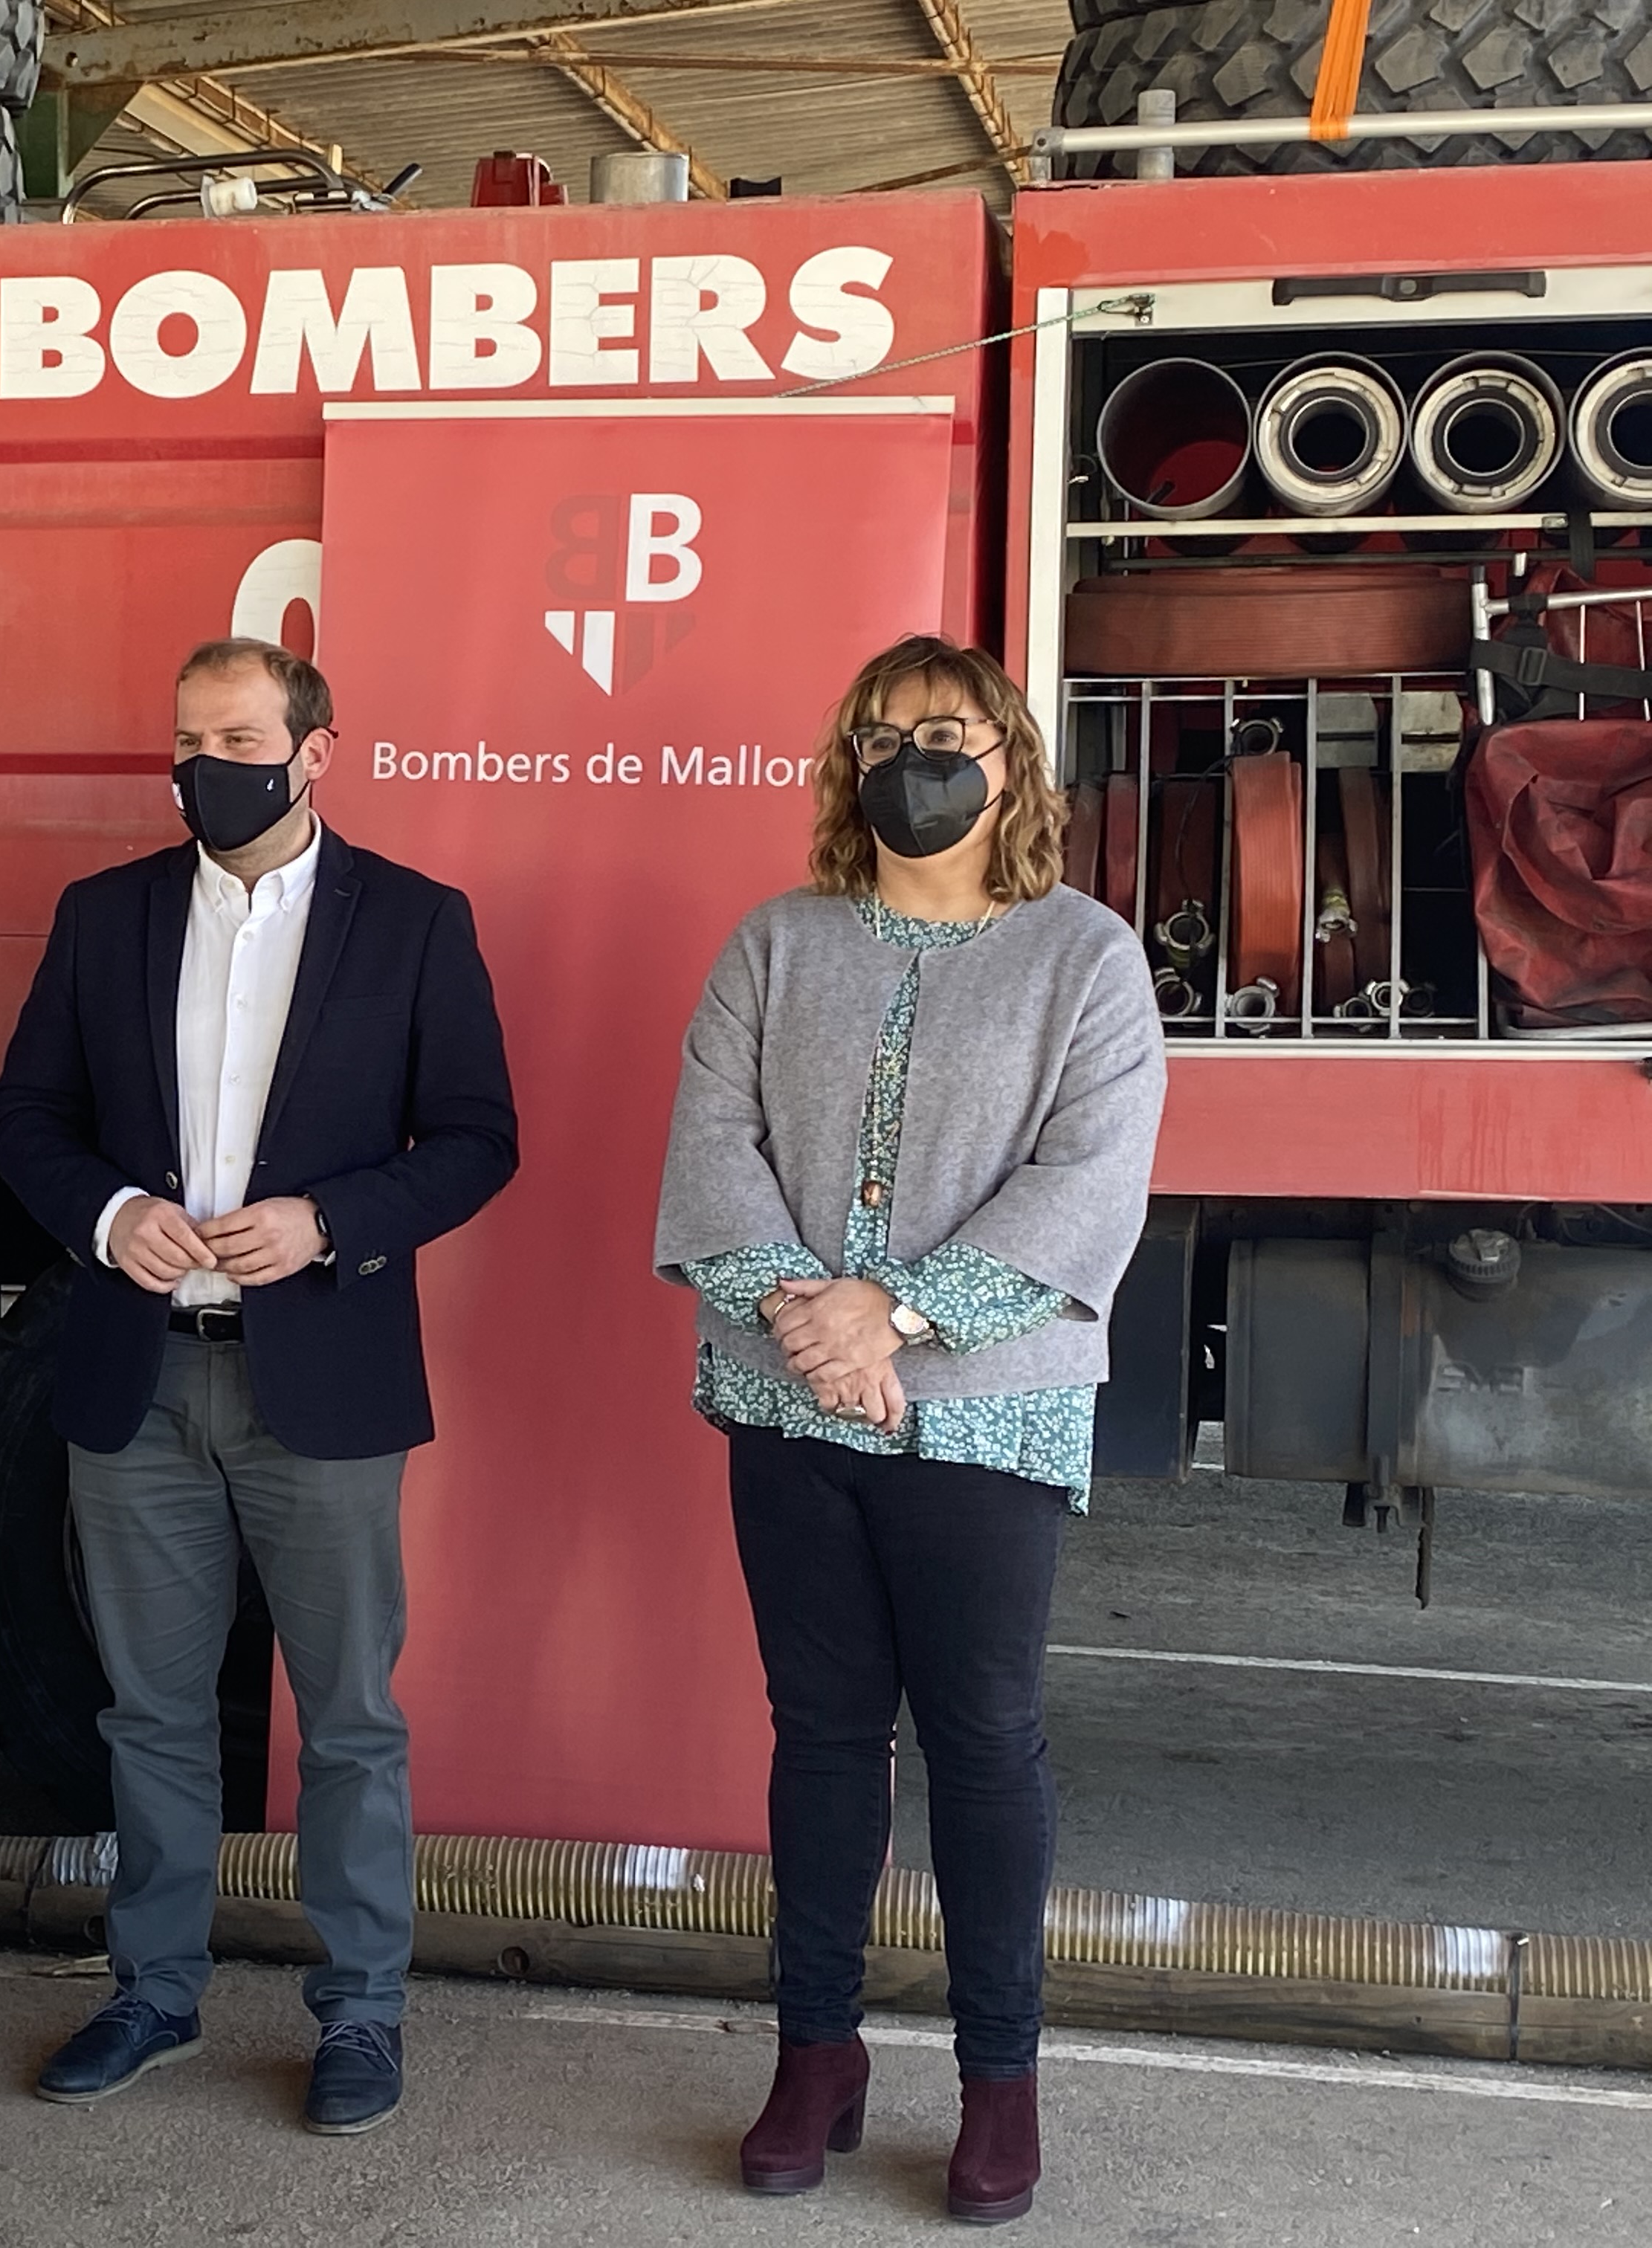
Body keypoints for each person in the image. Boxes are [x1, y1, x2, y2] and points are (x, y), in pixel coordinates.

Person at [654, 636, 1164, 2226]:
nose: (912, 759)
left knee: (984, 1744)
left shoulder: (1085, 957)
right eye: (881, 735)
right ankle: (818, 2055)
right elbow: (712, 1133)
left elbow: (1090, 1175)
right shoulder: (776, 942)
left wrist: (902, 1314)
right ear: (846, 767)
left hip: (988, 1410)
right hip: (787, 1396)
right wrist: (814, 1316)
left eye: (945, 733)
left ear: (1008, 761)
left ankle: (999, 2081)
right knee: (819, 1739)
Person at [0, 638, 517, 2137]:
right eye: (185, 737)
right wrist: (107, 1216)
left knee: (348, 1717)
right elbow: (23, 1117)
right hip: (135, 1372)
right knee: (150, 1715)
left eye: (234, 734)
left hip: (323, 1379)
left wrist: (328, 1223)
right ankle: (153, 1993)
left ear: (314, 751)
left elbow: (477, 1138)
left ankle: (360, 2015)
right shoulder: (107, 919)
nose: (202, 763)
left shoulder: (413, 923)